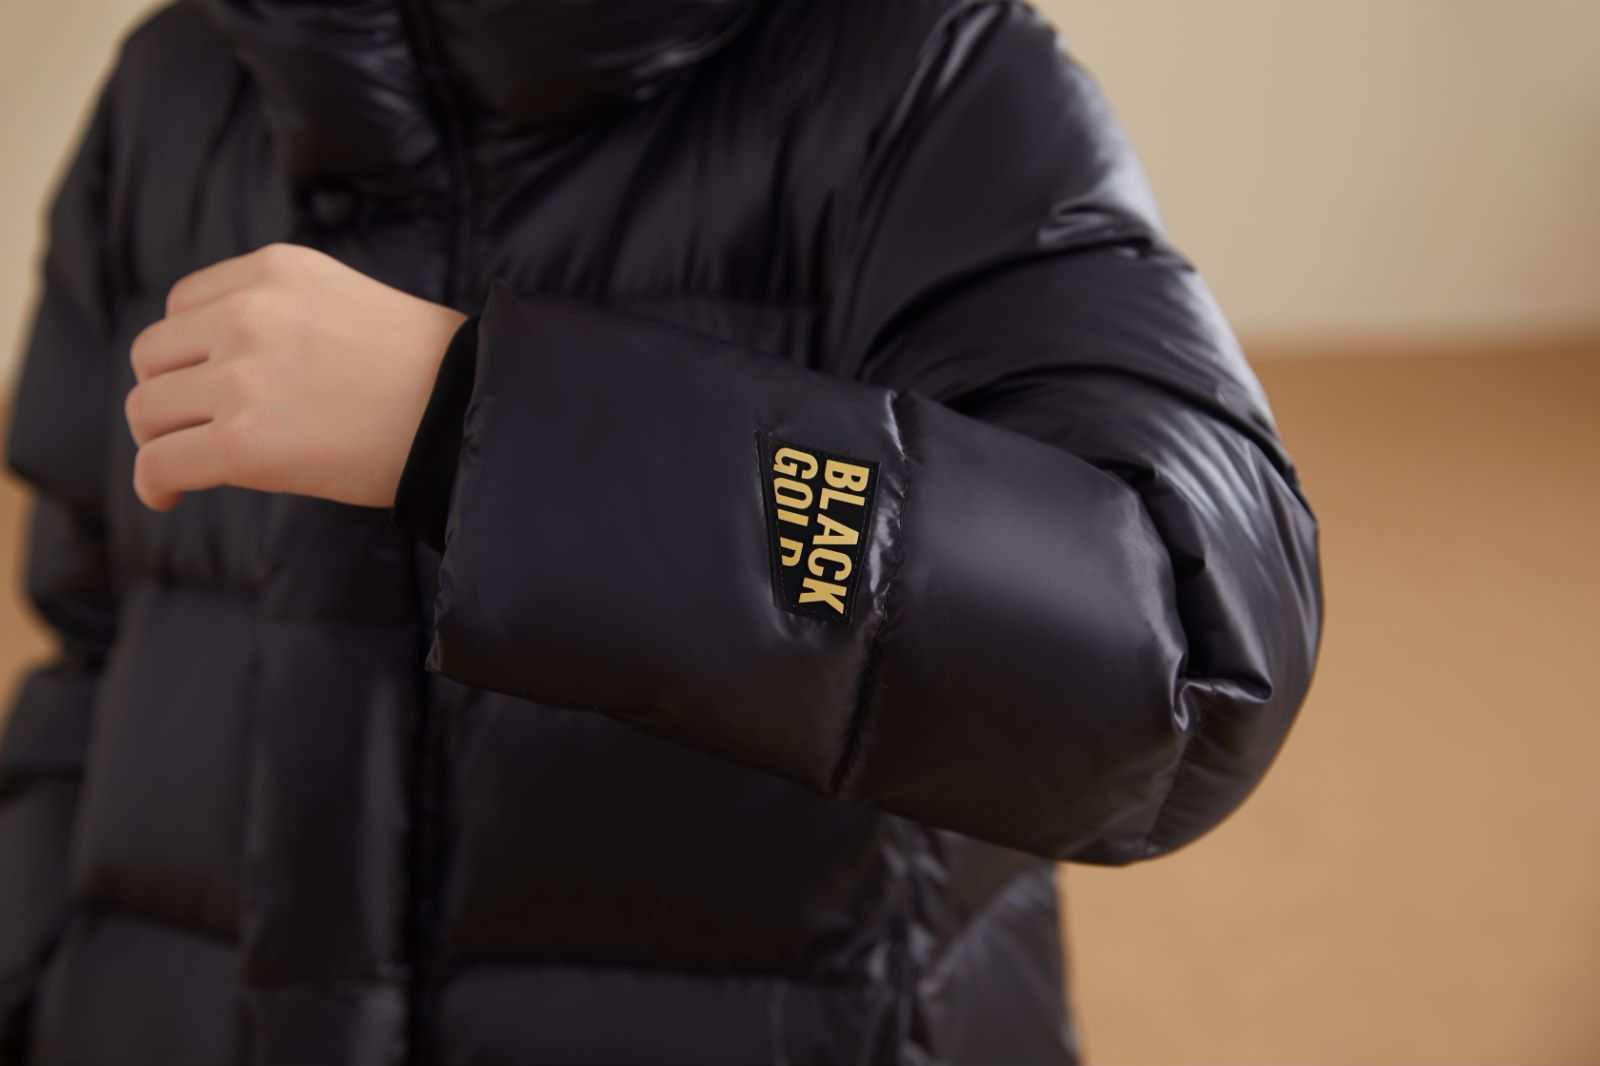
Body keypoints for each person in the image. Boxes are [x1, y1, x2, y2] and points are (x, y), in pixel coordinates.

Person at [0, 1, 1323, 1063]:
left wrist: (477, 425)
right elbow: (90, 651)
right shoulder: (174, 85)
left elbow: (1186, 656)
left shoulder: (923, 72)